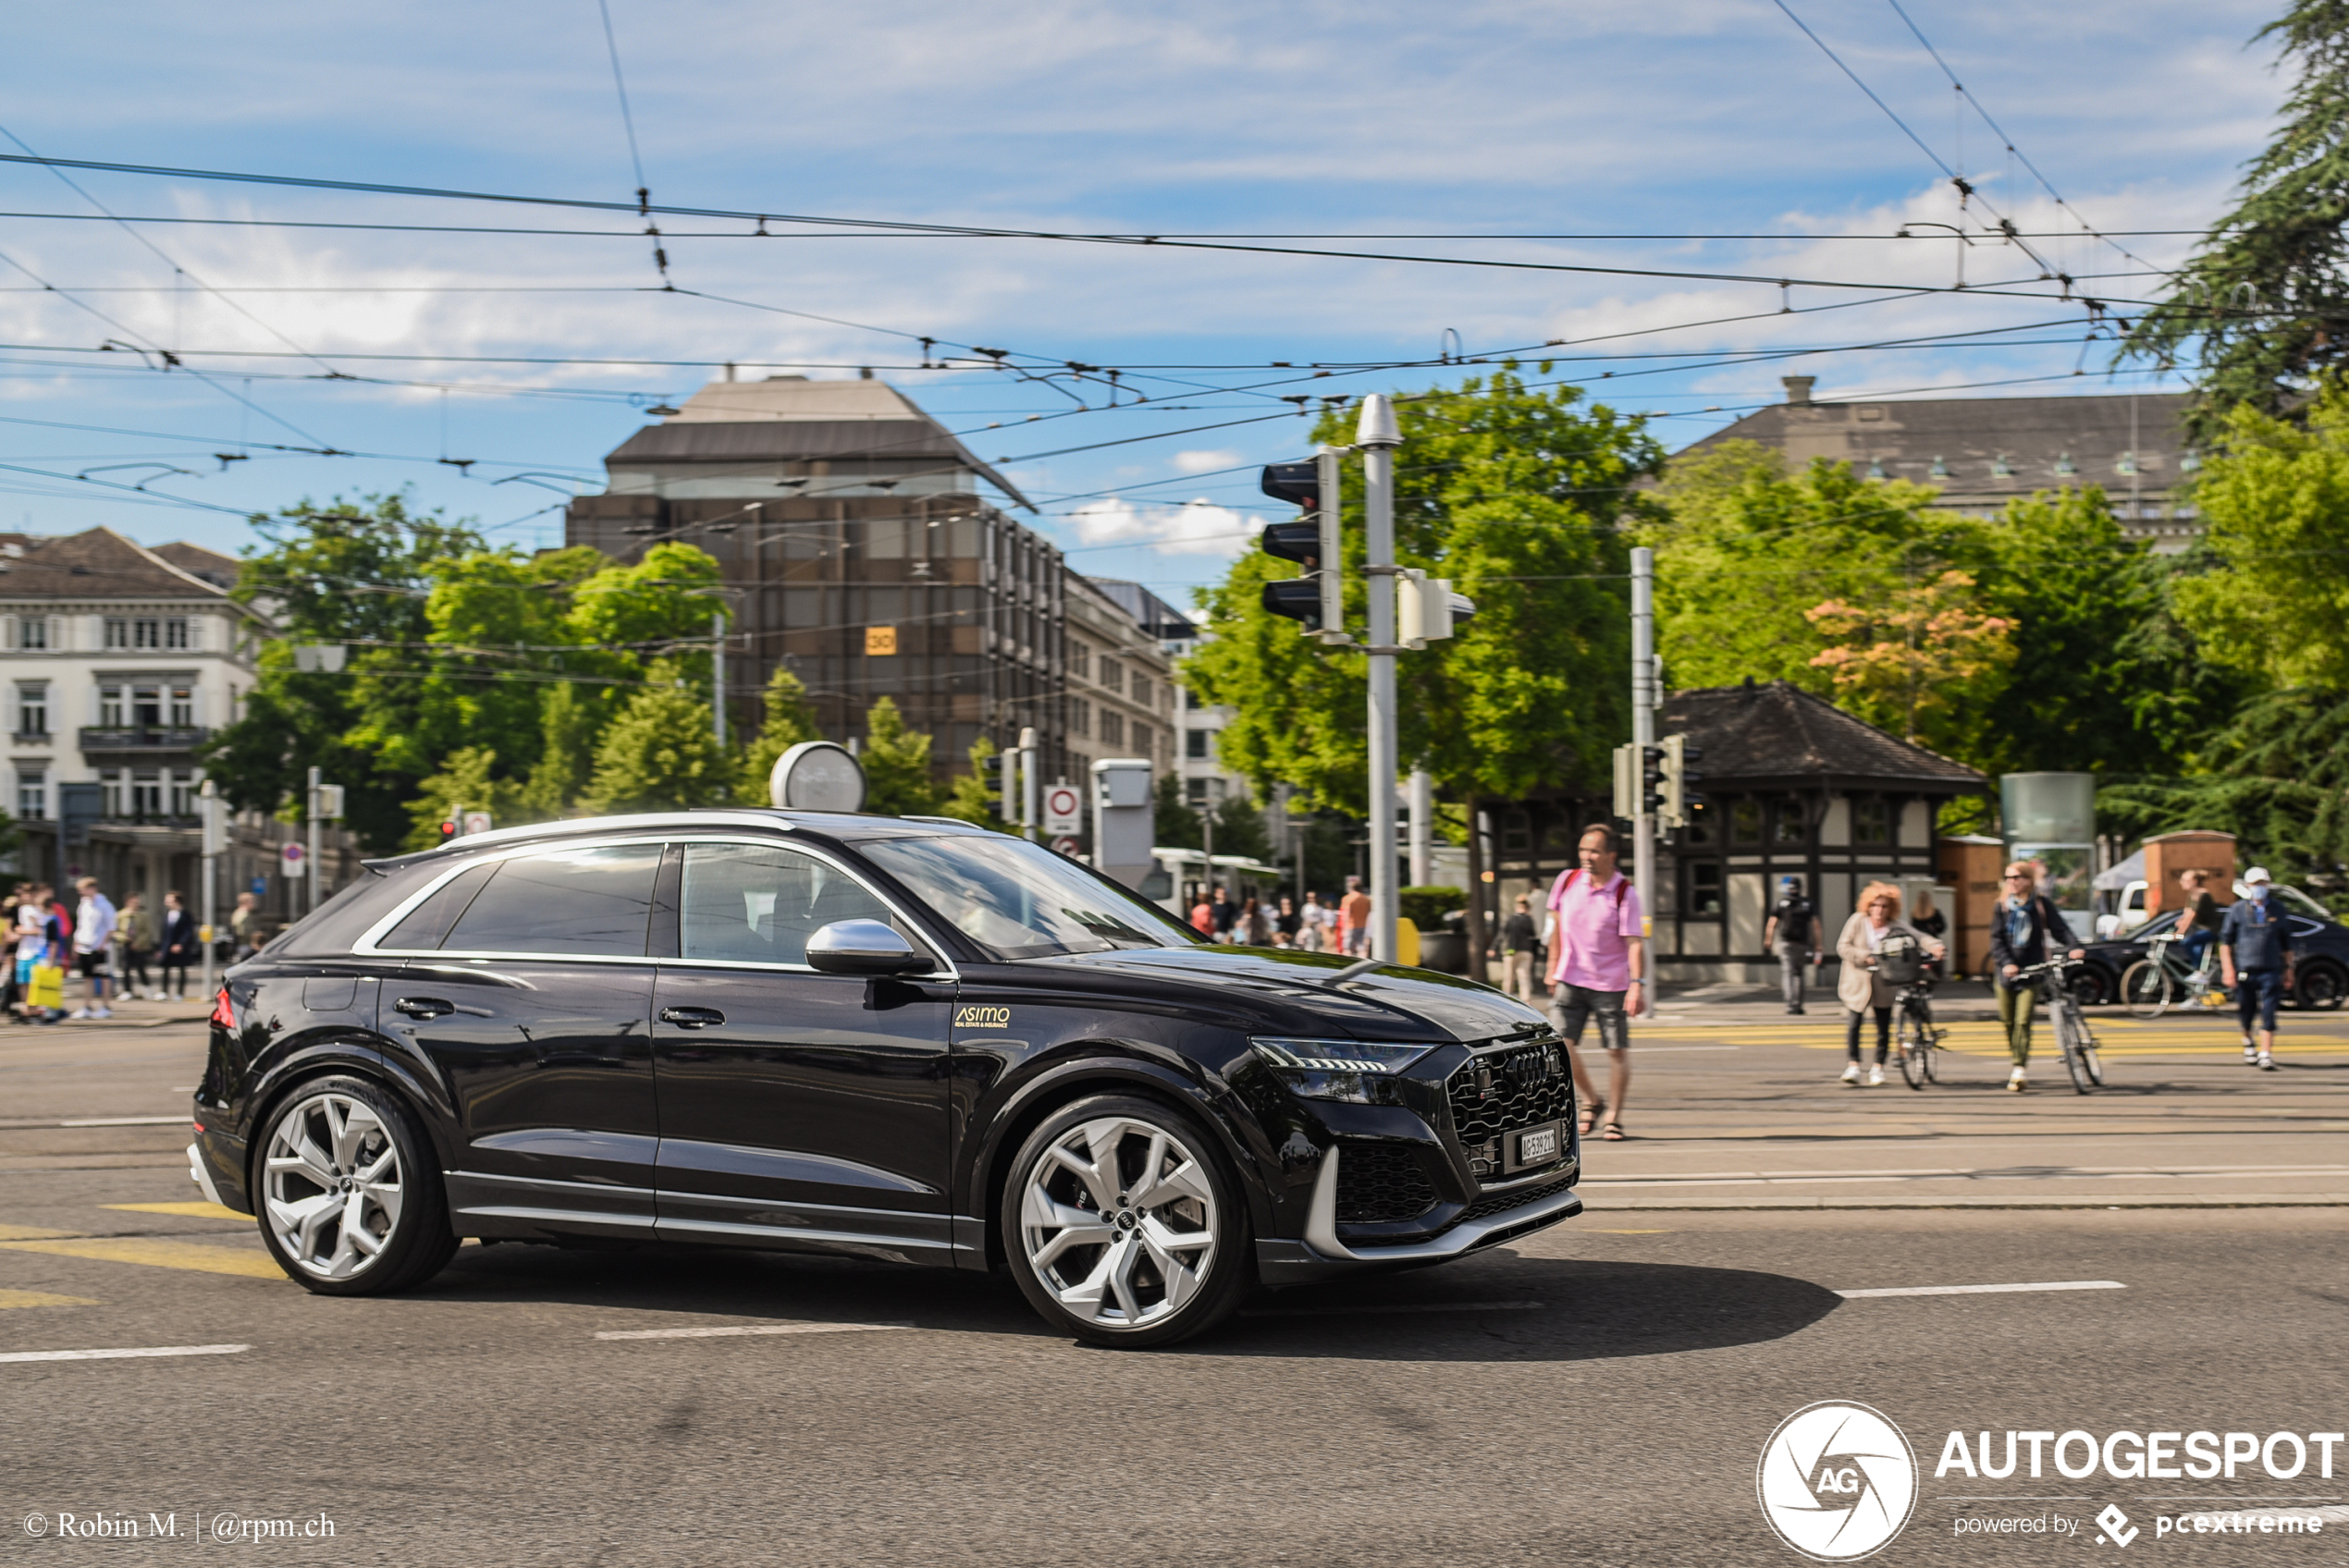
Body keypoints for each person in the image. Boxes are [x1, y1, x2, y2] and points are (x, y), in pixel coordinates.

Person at [1545, 824, 1644, 1142]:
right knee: (1561, 1046)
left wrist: (1636, 985)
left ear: (1611, 855)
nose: (1587, 857)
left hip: (1610, 985)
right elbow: (1557, 929)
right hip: (1570, 978)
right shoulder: (1568, 880)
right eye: (1583, 850)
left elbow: (1634, 943)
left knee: (1615, 1051)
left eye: (1594, 851)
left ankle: (1614, 1116)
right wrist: (1551, 968)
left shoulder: (1624, 891)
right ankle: (1592, 1099)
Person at [1834, 882, 1943, 1086]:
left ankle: (1878, 1067)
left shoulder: (1895, 925)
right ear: (1868, 905)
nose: (1879, 910)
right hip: (1857, 982)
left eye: (1884, 906)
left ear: (1891, 908)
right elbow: (1843, 947)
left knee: (1883, 1026)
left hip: (1884, 982)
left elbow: (1919, 937)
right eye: (1875, 905)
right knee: (1854, 1024)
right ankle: (1854, 1065)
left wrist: (1935, 945)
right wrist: (1865, 956)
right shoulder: (1858, 921)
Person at [1987, 863, 2084, 1093]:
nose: (2012, 881)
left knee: (2023, 1020)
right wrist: (2007, 963)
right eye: (2008, 877)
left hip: (2034, 970)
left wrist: (2074, 946)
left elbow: (2060, 929)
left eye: (2017, 877)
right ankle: (2017, 1060)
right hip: (2006, 972)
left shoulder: (2040, 904)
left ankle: (2019, 1068)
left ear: (2029, 880)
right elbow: (1996, 939)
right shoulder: (2001, 907)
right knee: (2008, 1022)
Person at [2219, 865, 2298, 1071]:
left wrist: (2289, 969)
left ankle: (2266, 1053)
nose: (2260, 888)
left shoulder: (2278, 909)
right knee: (2247, 1009)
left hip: (2271, 967)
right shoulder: (2238, 910)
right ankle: (2247, 1039)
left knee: (2270, 1010)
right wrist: (2228, 969)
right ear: (2247, 886)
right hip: (2246, 967)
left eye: (2263, 884)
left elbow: (2286, 943)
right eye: (2256, 884)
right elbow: (2225, 942)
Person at [1763, 876, 1818, 1015]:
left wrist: (1768, 940)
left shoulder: (1781, 903)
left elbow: (1772, 924)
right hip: (1802, 944)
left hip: (1786, 943)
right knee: (1799, 975)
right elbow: (1816, 926)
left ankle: (1790, 1005)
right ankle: (1798, 1005)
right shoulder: (1807, 903)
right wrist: (1818, 944)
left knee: (1788, 974)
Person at [70, 876, 117, 1021]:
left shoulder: (104, 905)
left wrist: (103, 944)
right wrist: (75, 943)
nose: (81, 893)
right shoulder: (83, 904)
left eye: (83, 890)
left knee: (103, 977)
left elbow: (111, 927)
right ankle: (87, 1006)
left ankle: (106, 1007)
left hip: (99, 947)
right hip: (84, 946)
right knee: (87, 977)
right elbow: (80, 925)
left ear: (92, 889)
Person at [2175, 869, 2221, 977]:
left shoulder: (2202, 895)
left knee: (2187, 942)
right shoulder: (2191, 895)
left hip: (2211, 930)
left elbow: (2191, 915)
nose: (2181, 883)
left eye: (2185, 880)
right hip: (2200, 929)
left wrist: (2180, 932)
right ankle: (2201, 971)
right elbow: (2186, 913)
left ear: (2194, 881)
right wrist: (2180, 923)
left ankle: (2200, 972)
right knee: (2194, 945)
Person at [1499, 893, 1540, 1004]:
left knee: (1509, 976)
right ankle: (1526, 999)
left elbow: (1503, 934)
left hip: (1511, 951)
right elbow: (1533, 933)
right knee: (1524, 976)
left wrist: (1494, 947)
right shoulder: (1528, 919)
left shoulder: (1511, 919)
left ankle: (1506, 998)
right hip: (1526, 950)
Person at [159, 891, 198, 1001]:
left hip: (181, 947)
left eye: (169, 900)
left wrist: (181, 944)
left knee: (182, 969)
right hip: (167, 946)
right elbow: (164, 932)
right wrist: (160, 948)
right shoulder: (167, 915)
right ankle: (164, 991)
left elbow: (188, 931)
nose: (166, 902)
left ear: (176, 901)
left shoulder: (186, 915)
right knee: (165, 969)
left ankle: (179, 993)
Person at [117, 893, 156, 1001]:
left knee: (141, 968)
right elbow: (115, 931)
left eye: (137, 902)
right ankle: (127, 991)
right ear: (128, 903)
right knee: (125, 968)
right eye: (134, 902)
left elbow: (148, 931)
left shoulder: (143, 916)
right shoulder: (121, 915)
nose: (136, 904)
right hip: (126, 944)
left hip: (140, 946)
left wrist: (138, 942)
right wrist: (124, 938)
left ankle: (147, 989)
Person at [1339, 876, 1371, 958]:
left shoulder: (1348, 898)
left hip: (1351, 926)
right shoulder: (1366, 899)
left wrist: (1344, 929)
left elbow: (1347, 913)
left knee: (1347, 948)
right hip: (1363, 926)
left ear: (1351, 888)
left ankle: (1346, 965)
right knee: (1362, 948)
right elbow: (1369, 912)